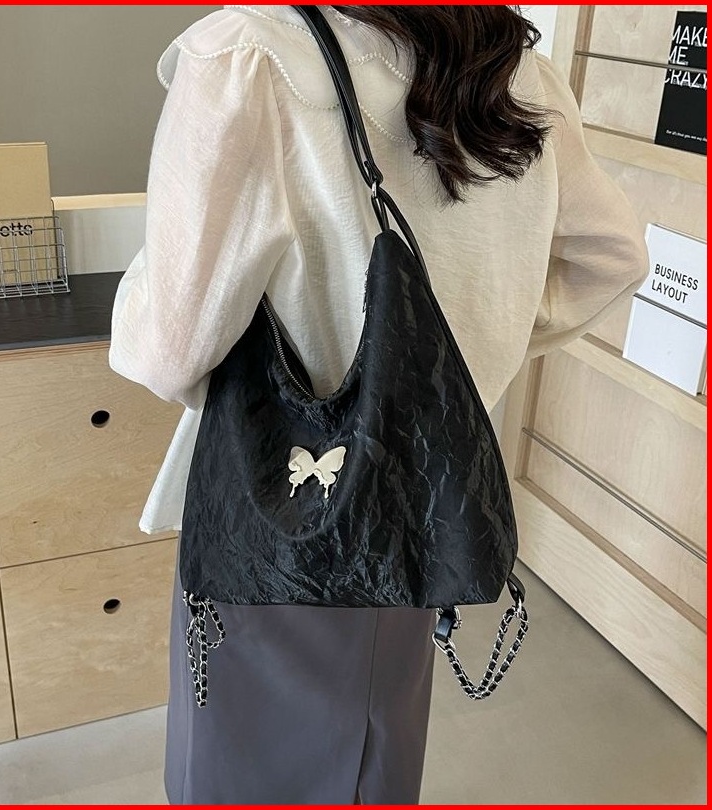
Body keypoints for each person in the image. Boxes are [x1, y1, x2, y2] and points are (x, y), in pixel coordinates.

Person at [109, 5, 648, 805]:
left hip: (281, 510)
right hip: (421, 504)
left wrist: (139, 295)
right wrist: (451, 369)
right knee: (373, 758)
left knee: (256, 772)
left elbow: (169, 345)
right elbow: (613, 255)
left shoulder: (248, 57)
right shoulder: (512, 66)